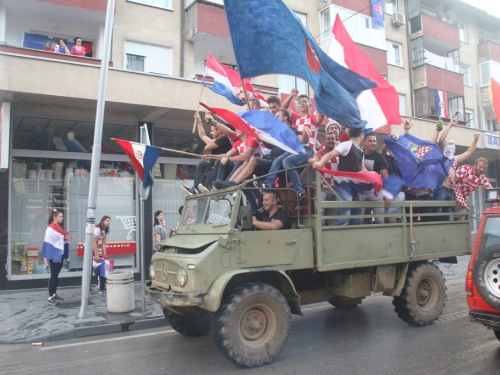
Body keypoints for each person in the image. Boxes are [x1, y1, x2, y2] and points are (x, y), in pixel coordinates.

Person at [313, 127, 366, 226]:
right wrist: (320, 162)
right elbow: (330, 155)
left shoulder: (360, 151)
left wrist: (373, 178)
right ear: (361, 135)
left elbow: (363, 170)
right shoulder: (346, 144)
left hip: (354, 186)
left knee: (357, 217)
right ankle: (337, 238)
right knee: (344, 216)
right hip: (343, 185)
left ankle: (352, 237)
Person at [182, 112, 232, 195]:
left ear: (219, 130)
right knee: (201, 164)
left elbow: (207, 148)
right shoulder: (216, 141)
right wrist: (199, 121)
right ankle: (195, 189)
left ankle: (208, 188)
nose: (211, 133)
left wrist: (211, 143)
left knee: (208, 171)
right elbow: (202, 136)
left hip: (218, 167)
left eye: (212, 130)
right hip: (211, 166)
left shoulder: (224, 139)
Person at [40, 209, 71, 306]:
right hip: (55, 254)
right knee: (53, 275)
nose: (62, 218)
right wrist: (53, 256)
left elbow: (60, 239)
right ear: (55, 217)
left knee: (56, 275)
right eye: (60, 216)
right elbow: (50, 243)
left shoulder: (58, 227)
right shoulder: (50, 229)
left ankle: (54, 294)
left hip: (59, 253)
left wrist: (66, 237)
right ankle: (50, 297)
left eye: (62, 216)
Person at [358, 133, 390, 224]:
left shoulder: (379, 157)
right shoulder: (358, 154)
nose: (373, 143)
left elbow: (386, 176)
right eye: (370, 141)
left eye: (374, 141)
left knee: (379, 219)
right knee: (358, 219)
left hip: (375, 190)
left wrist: (387, 193)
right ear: (364, 142)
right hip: (361, 190)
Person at [308, 132, 338, 225]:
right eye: (328, 139)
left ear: (335, 141)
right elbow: (314, 159)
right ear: (323, 141)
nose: (330, 140)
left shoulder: (339, 153)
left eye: (332, 139)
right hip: (321, 189)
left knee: (333, 216)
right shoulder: (319, 153)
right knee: (319, 212)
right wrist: (312, 160)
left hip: (335, 190)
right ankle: (321, 235)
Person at [92, 215, 111, 292]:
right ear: (103, 221)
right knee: (91, 269)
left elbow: (103, 243)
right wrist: (96, 255)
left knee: (102, 266)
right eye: (107, 221)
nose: (109, 222)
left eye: (109, 221)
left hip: (95, 248)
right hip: (89, 248)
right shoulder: (97, 229)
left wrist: (104, 255)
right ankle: (91, 287)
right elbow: (93, 241)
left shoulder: (105, 231)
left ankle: (100, 286)